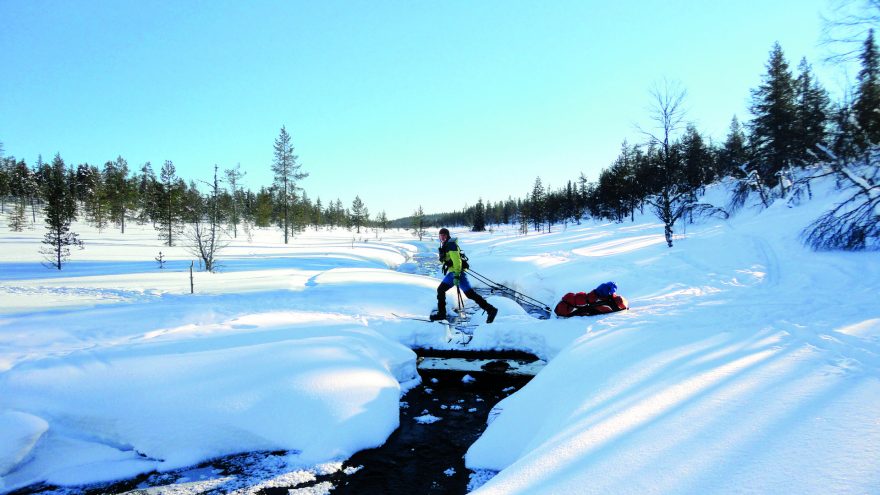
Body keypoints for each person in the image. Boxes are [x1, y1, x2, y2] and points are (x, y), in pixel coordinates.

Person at [430, 228, 498, 323]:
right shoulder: (446, 244)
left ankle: (491, 310)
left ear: (448, 235)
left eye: (444, 235)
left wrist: (457, 275)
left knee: (469, 294)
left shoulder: (451, 245)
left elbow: (457, 262)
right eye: (441, 235)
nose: (442, 237)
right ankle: (442, 314)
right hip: (452, 273)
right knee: (442, 290)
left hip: (457, 273)